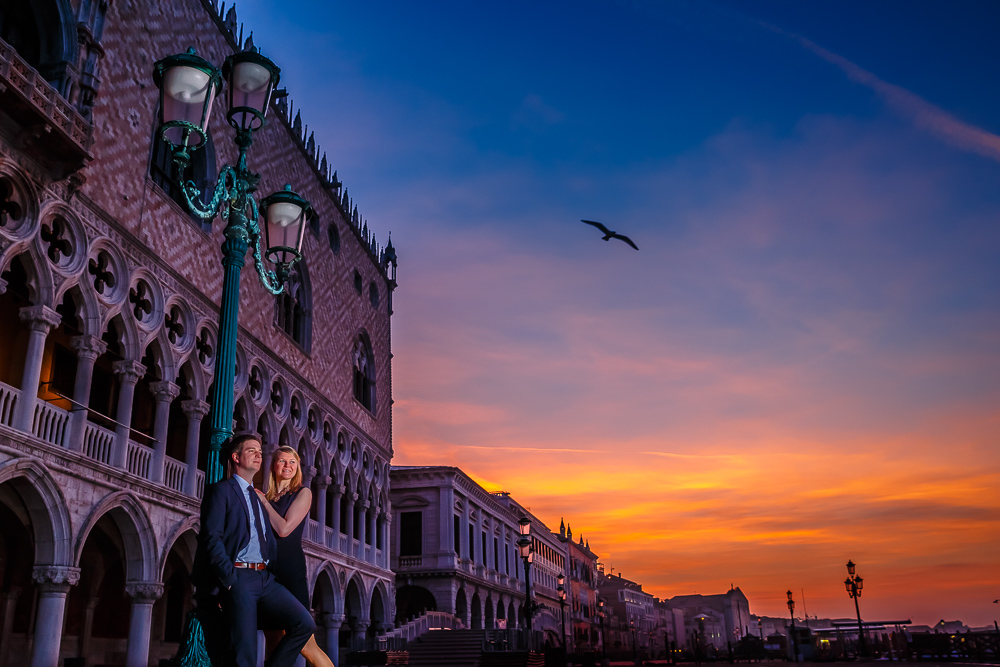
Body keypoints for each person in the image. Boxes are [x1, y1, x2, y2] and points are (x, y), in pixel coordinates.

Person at [196, 433, 316, 667]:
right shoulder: (222, 490)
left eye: (260, 451)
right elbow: (212, 538)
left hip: (266, 577)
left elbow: (274, 534)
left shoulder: (260, 497)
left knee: (304, 624)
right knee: (245, 653)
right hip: (239, 577)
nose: (259, 454)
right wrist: (229, 579)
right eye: (252, 450)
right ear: (236, 457)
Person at [256, 445, 335, 667]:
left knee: (306, 644)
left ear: (298, 468)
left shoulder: (303, 493)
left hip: (290, 572)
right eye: (282, 461)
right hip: (267, 573)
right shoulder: (267, 497)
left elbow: (284, 530)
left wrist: (263, 503)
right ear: (274, 465)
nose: (287, 466)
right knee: (273, 638)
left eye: (292, 462)